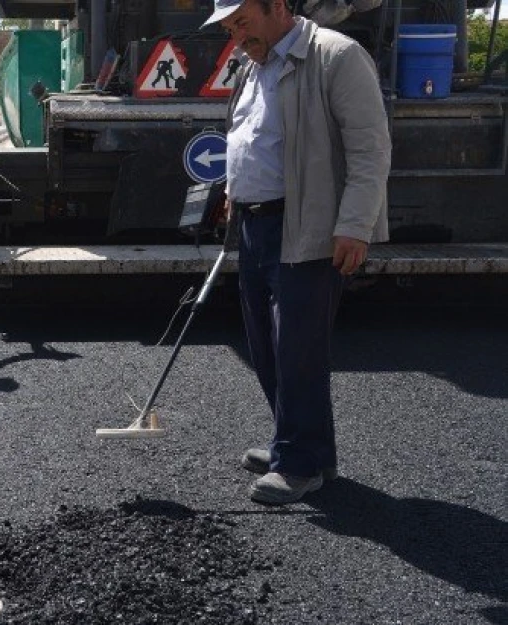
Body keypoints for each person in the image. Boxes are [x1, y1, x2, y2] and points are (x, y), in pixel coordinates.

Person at [204, 0, 390, 504]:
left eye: (243, 22)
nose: (237, 35)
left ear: (279, 7)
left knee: (297, 350)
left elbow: (370, 149)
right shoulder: (251, 65)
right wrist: (233, 190)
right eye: (229, 27)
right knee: (265, 345)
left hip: (307, 223)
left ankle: (300, 463)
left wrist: (355, 225)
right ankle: (303, 444)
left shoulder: (336, 56)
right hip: (254, 223)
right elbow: (250, 137)